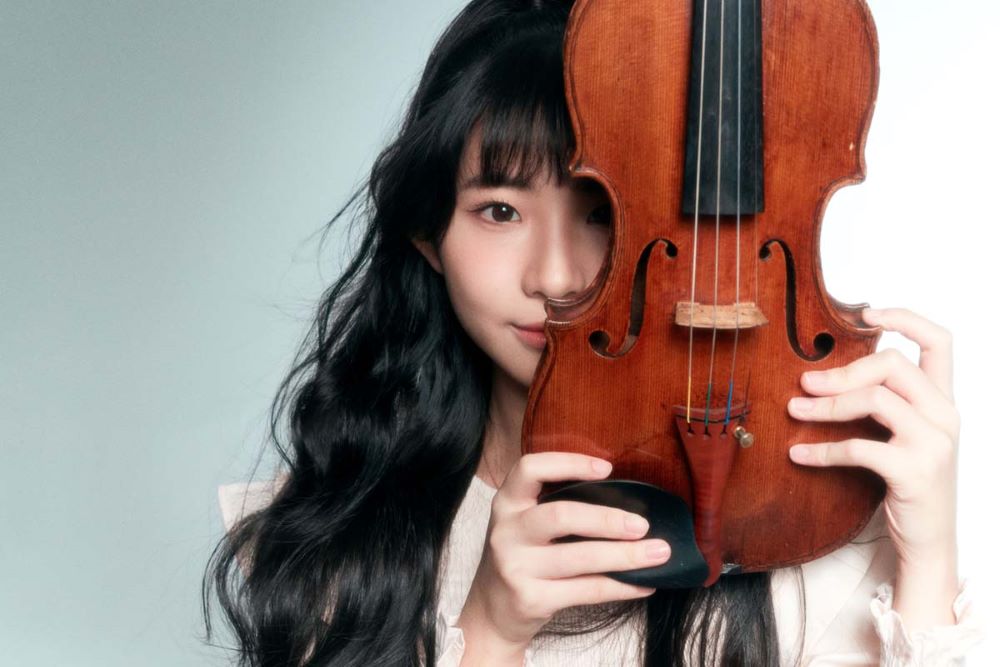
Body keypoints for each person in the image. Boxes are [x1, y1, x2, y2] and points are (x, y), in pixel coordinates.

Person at [203, 1, 984, 665]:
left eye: (602, 211)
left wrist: (929, 565)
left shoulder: (813, 523)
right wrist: (490, 628)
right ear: (426, 236)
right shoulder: (330, 543)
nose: (555, 276)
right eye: (500, 211)